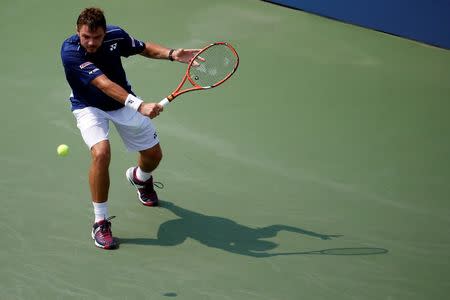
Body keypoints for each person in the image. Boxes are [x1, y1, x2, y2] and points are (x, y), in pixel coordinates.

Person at [60, 7, 199, 250]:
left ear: (105, 32)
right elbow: (103, 84)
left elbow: (143, 48)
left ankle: (140, 178)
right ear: (77, 32)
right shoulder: (70, 52)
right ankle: (100, 221)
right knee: (101, 152)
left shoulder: (116, 36)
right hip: (88, 106)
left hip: (121, 103)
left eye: (97, 37)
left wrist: (173, 53)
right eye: (86, 37)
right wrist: (139, 105)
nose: (91, 42)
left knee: (153, 156)